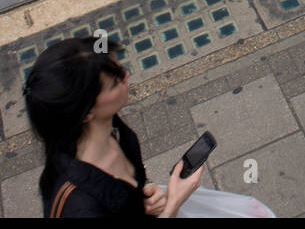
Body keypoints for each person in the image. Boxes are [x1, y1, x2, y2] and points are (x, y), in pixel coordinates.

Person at [23, 37, 275, 218]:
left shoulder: (113, 131)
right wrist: (174, 203)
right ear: (87, 112)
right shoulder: (79, 205)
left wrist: (144, 199)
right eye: (115, 82)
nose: (127, 76)